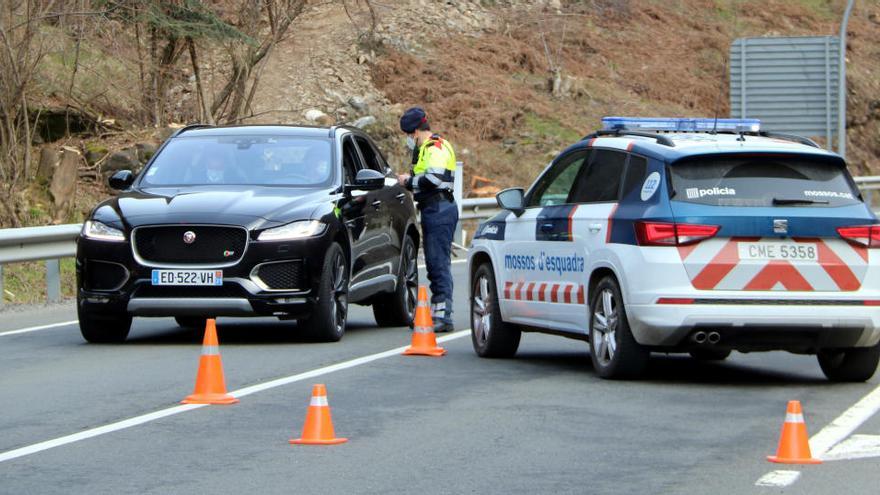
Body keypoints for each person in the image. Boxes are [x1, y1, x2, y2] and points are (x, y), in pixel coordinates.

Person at [397, 107, 458, 333]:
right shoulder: (425, 149)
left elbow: (433, 179)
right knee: (434, 263)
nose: (408, 140)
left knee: (438, 263)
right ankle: (436, 313)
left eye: (407, 135)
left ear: (414, 132)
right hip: (433, 209)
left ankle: (444, 316)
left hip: (439, 209)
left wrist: (407, 182)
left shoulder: (436, 148)